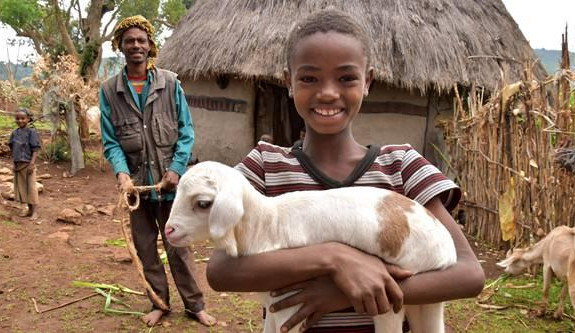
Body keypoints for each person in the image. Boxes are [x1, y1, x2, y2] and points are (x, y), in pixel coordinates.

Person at [207, 9, 484, 332]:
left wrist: (344, 293)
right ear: (288, 82)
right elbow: (221, 270)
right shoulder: (265, 167)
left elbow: (467, 273)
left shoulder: (402, 168)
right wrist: (334, 258)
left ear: (367, 82)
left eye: (346, 78)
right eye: (309, 78)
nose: (327, 92)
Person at [99, 15, 216, 328]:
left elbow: (186, 131)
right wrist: (122, 175)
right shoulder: (110, 91)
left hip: (171, 187)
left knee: (178, 246)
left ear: (150, 45)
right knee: (146, 247)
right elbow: (111, 142)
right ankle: (160, 303)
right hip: (137, 188)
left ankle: (195, 305)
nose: (136, 46)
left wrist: (177, 169)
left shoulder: (169, 82)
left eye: (141, 40)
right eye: (129, 41)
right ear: (120, 47)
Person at [9, 108, 40, 221]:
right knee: (22, 188)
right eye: (17, 118)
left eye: (23, 118)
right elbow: (12, 147)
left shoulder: (31, 132)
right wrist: (14, 162)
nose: (20, 120)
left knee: (31, 188)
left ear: (28, 119)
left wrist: (32, 163)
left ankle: (35, 211)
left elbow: (35, 149)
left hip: (28, 164)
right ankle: (29, 209)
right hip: (18, 165)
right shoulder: (14, 133)